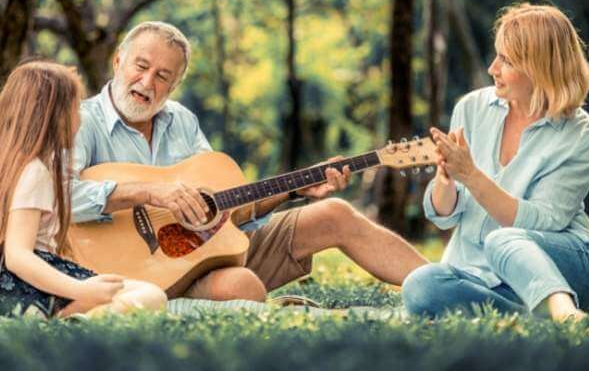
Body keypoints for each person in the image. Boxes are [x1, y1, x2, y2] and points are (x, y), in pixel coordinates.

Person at [71, 21, 428, 301]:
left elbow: (227, 211)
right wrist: (148, 193)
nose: (147, 81)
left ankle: (445, 287)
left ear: (175, 84)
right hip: (136, 271)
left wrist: (292, 190)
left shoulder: (181, 121)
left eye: (163, 76)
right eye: (141, 66)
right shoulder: (82, 122)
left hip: (207, 252)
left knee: (334, 214)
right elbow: (58, 197)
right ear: (119, 60)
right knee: (243, 286)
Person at [402, 3, 589, 321]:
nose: (492, 68)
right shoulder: (471, 108)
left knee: (503, 238)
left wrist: (471, 175)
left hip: (562, 267)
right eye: (497, 55)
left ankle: (562, 308)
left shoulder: (581, 135)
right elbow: (444, 217)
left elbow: (543, 222)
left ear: (540, 67)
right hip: (488, 279)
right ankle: (534, 317)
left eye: (506, 60)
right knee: (420, 286)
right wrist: (447, 177)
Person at [0, 61, 166, 318]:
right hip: (22, 283)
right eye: (75, 107)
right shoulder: (34, 172)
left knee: (128, 290)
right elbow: (18, 255)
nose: (81, 116)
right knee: (151, 295)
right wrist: (80, 289)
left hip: (5, 282)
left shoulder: (11, 166)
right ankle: (65, 319)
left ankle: (64, 315)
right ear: (51, 115)